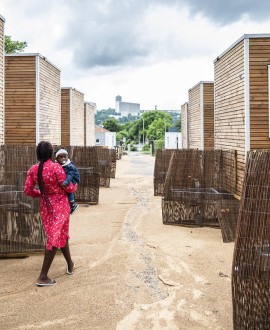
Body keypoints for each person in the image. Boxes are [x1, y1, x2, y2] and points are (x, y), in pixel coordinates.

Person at [24, 141, 78, 286]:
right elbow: (68, 188)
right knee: (55, 238)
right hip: (60, 206)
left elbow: (28, 190)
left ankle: (70, 263)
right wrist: (75, 186)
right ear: (50, 153)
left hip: (46, 207)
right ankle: (43, 277)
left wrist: (41, 194)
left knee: (61, 234)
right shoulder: (56, 168)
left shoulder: (33, 169)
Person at [55, 148, 80, 215]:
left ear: (67, 157)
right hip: (68, 179)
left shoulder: (69, 166)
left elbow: (70, 175)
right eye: (61, 157)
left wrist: (66, 182)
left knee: (69, 190)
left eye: (65, 157)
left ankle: (73, 204)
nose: (63, 159)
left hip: (73, 179)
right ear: (57, 159)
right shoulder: (59, 165)